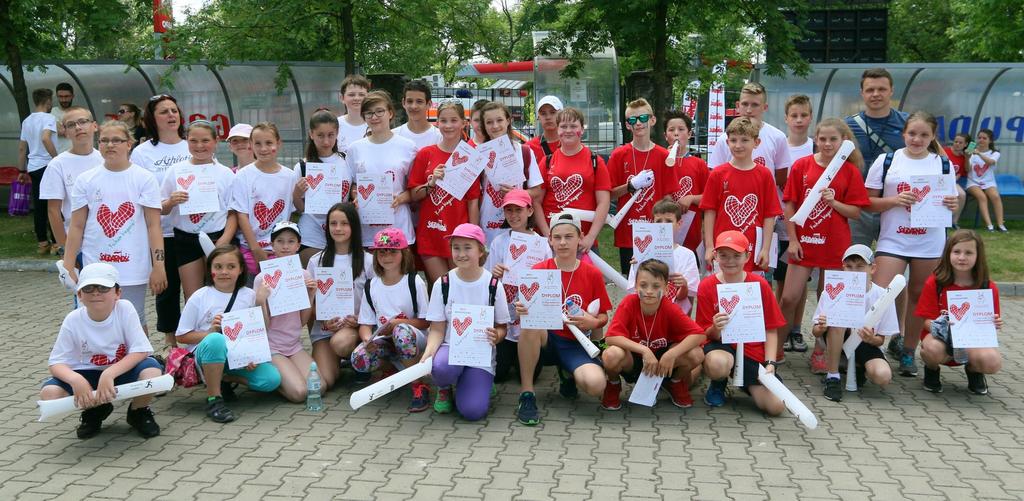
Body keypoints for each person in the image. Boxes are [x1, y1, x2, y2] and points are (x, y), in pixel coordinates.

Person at [864, 111, 959, 377]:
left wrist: (954, 203)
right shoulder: (887, 161)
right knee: (881, 293)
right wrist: (894, 201)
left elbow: (950, 203)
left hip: (928, 241)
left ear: (933, 137)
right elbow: (867, 201)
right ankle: (873, 346)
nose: (917, 139)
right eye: (912, 133)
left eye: (924, 135)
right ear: (903, 133)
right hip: (894, 238)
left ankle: (907, 351)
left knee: (919, 295)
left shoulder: (942, 164)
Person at [778, 118, 869, 364]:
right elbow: (790, 204)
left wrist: (834, 202)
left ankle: (821, 350)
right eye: (823, 139)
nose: (827, 144)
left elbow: (856, 212)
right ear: (815, 140)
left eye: (833, 139)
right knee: (788, 298)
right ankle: (774, 351)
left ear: (843, 142)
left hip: (834, 244)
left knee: (827, 302)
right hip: (804, 243)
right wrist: (793, 240)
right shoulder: (801, 165)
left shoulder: (849, 171)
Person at [40, 263, 164, 439]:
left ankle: (139, 410)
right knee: (49, 394)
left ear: (117, 293)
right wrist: (76, 380)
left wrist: (109, 374)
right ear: (79, 295)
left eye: (104, 287)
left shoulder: (125, 308)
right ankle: (95, 409)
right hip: (86, 374)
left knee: (152, 372)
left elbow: (141, 351)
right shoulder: (73, 319)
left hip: (121, 370)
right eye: (89, 288)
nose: (96, 292)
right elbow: (55, 363)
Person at [63, 120, 167, 328]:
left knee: (134, 320)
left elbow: (153, 226)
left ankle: (140, 360)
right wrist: (68, 264)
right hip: (95, 265)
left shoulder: (144, 178)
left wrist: (159, 266)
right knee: (93, 319)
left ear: (129, 144)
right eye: (104, 140)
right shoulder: (86, 180)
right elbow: (77, 226)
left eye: (117, 140)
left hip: (133, 267)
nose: (110, 145)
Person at [515, 212, 612, 426]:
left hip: (575, 343)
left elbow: (604, 314)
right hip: (546, 339)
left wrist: (594, 323)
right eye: (557, 237)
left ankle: (567, 372)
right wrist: (522, 309)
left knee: (596, 385)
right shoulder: (539, 270)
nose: (562, 242)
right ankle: (527, 394)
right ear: (549, 239)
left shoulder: (592, 273)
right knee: (530, 325)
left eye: (569, 236)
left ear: (580, 238)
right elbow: (524, 309)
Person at [175, 245, 282, 422]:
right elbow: (181, 336)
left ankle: (224, 378)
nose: (224, 272)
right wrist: (209, 332)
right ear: (210, 270)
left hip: (236, 356)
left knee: (271, 380)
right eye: (218, 267)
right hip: (205, 355)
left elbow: (257, 331)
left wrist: (251, 356)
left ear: (241, 269)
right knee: (216, 340)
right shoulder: (200, 296)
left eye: (231, 267)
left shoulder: (249, 295)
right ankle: (214, 400)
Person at [422, 224, 511, 421]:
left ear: (481, 250)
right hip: (450, 349)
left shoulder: (493, 285)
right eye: (456, 247)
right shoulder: (443, 283)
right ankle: (445, 387)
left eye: (467, 247)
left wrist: (496, 336)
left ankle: (480, 382)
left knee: (473, 411)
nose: (461, 253)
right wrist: (429, 354)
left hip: (480, 356)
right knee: (440, 368)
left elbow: (502, 327)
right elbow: (437, 329)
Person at [696, 231, 785, 415]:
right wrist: (715, 327)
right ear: (715, 256)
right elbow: (704, 334)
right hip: (722, 347)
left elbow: (771, 330)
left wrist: (770, 363)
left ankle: (745, 382)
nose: (730, 261)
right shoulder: (706, 286)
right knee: (717, 364)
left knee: (776, 407)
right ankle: (718, 383)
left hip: (752, 352)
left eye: (736, 255)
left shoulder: (760, 285)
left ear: (747, 256)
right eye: (723, 255)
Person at [601, 259, 706, 410]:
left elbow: (699, 335)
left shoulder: (669, 308)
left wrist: (671, 354)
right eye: (643, 285)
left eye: (656, 286)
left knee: (697, 354)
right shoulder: (629, 303)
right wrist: (644, 350)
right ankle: (613, 384)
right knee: (611, 354)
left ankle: (675, 382)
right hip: (635, 361)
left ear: (665, 287)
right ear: (636, 285)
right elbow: (611, 337)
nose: (649, 291)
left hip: (664, 364)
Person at [132, 95, 192, 355]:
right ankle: (171, 342)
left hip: (192, 229)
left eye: (174, 110)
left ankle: (195, 340)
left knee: (196, 289)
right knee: (166, 289)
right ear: (152, 119)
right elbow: (136, 193)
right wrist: (164, 205)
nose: (171, 115)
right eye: (163, 112)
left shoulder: (192, 146)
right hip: (162, 230)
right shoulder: (143, 153)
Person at [915, 230, 1003, 395]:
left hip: (971, 341)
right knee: (931, 349)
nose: (962, 257)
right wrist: (941, 323)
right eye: (957, 252)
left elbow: (990, 324)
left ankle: (974, 370)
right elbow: (925, 320)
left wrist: (995, 323)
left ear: (979, 256)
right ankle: (931, 369)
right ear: (948, 254)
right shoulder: (935, 282)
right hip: (941, 338)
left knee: (992, 361)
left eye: (969, 252)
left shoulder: (988, 287)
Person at [161, 120, 237, 305]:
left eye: (205, 140)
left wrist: (224, 240)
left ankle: (222, 332)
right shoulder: (176, 171)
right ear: (186, 140)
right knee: (193, 297)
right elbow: (160, 208)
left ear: (216, 141)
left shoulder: (225, 173)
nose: (199, 146)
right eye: (193, 140)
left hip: (218, 237)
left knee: (223, 292)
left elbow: (233, 213)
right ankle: (199, 333)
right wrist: (171, 201)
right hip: (186, 239)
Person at [353, 228, 430, 408]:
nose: (387, 256)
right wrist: (366, 338)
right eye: (382, 251)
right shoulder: (371, 285)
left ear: (403, 253)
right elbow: (365, 323)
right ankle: (392, 369)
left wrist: (399, 323)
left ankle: (418, 384)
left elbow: (426, 321)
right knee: (359, 358)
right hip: (386, 340)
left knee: (401, 331)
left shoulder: (414, 281)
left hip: (414, 339)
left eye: (393, 251)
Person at [408, 100, 481, 286]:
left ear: (464, 123)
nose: (448, 126)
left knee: (461, 289)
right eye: (443, 121)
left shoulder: (471, 155)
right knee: (442, 290)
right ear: (437, 123)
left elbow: (473, 200)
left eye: (453, 120)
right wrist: (431, 182)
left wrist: (473, 236)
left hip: (459, 235)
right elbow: (414, 195)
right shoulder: (426, 154)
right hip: (431, 234)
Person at [811, 245, 897, 401]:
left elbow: (881, 340)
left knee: (883, 377)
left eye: (860, 266)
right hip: (836, 338)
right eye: (849, 267)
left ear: (873, 268)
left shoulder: (882, 295)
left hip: (865, 342)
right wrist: (822, 327)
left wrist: (871, 339)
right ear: (843, 268)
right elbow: (815, 332)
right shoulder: (831, 291)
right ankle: (833, 377)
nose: (854, 271)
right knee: (838, 321)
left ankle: (858, 366)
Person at [699, 117, 782, 273]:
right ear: (727, 142)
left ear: (756, 142)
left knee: (751, 292)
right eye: (733, 140)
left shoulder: (764, 175)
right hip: (722, 248)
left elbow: (769, 215)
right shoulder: (718, 174)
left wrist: (765, 248)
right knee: (723, 293)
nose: (738, 145)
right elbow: (709, 212)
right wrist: (709, 246)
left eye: (744, 140)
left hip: (752, 249)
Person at [486, 189, 551, 383]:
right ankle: (510, 354)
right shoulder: (499, 242)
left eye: (519, 210)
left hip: (529, 323)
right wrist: (494, 274)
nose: (513, 215)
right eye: (509, 210)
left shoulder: (542, 244)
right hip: (506, 322)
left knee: (530, 376)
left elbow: (549, 282)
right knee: (498, 375)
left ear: (530, 211)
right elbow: (487, 283)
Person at [306, 203, 373, 391]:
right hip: (325, 330)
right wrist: (325, 320)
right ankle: (342, 363)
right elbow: (310, 303)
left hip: (354, 328)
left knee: (341, 343)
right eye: (333, 223)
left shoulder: (368, 261)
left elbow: (376, 300)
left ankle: (360, 360)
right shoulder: (316, 261)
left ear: (354, 226)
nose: (338, 228)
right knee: (325, 380)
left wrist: (360, 320)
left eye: (344, 223)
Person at [253, 221, 317, 403]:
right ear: (272, 245)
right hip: (272, 347)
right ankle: (273, 382)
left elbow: (303, 322)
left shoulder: (303, 275)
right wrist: (260, 300)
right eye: (280, 241)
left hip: (293, 345)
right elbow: (261, 326)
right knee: (299, 393)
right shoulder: (261, 279)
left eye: (291, 241)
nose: (285, 246)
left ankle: (286, 373)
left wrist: (310, 295)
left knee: (319, 386)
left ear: (298, 245)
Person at [845, 68, 909, 248]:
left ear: (891, 91)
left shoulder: (909, 124)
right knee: (851, 262)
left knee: (896, 264)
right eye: (870, 90)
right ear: (862, 93)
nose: (876, 94)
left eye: (881, 89)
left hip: (895, 206)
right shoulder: (847, 126)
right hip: (856, 207)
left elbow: (936, 157)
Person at [346, 90, 418, 248]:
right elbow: (353, 184)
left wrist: (399, 199)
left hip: (398, 225)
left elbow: (415, 189)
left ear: (390, 113)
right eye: (369, 113)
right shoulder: (355, 149)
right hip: (366, 231)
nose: (374, 117)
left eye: (379, 111)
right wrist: (356, 195)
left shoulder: (407, 147)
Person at [536, 107, 612, 253]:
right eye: (563, 126)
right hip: (553, 240)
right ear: (557, 130)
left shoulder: (595, 161)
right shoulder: (547, 161)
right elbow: (537, 201)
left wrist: (591, 236)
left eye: (573, 126)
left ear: (581, 130)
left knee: (586, 276)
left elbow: (603, 202)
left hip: (584, 241)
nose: (568, 130)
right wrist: (547, 235)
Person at [608, 98, 666, 273]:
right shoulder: (619, 155)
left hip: (656, 230)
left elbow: (669, 197)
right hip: (628, 231)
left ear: (652, 120)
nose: (638, 123)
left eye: (643, 118)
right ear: (627, 125)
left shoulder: (663, 155)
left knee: (657, 280)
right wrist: (630, 185)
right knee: (631, 281)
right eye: (633, 120)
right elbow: (608, 194)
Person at [230, 122, 296, 276]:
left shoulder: (290, 176)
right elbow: (242, 215)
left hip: (282, 250)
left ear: (278, 144)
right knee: (253, 296)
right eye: (258, 144)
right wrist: (255, 249)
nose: (263, 149)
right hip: (250, 249)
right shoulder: (243, 175)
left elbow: (290, 213)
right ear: (251, 145)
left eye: (269, 143)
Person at [292, 109, 354, 267]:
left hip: (341, 230)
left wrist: (356, 195)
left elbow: (354, 193)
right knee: (314, 283)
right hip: (312, 233)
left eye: (330, 135)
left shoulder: (347, 161)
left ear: (337, 133)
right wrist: (297, 194)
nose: (326, 141)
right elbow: (300, 209)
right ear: (311, 134)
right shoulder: (303, 166)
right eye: (320, 135)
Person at [477, 101, 545, 243]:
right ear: (484, 125)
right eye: (489, 122)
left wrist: (517, 194)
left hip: (518, 224)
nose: (495, 126)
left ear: (508, 121)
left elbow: (537, 190)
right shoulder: (478, 155)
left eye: (500, 120)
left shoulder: (524, 151)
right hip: (486, 226)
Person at [40, 106, 102, 261]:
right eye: (71, 125)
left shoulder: (105, 160)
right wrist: (66, 250)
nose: (78, 127)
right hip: (79, 244)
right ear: (65, 132)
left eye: (83, 121)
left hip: (110, 241)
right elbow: (53, 211)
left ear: (94, 126)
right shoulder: (58, 164)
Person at [779, 94, 814, 356]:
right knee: (781, 281)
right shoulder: (781, 145)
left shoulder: (817, 147)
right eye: (794, 115)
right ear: (786, 118)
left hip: (805, 226)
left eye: (804, 115)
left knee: (799, 283)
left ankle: (796, 329)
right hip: (778, 222)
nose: (799, 120)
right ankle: (779, 328)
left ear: (810, 117)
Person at [625, 198, 699, 316]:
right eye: (659, 221)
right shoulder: (641, 253)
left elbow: (687, 299)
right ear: (653, 224)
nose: (663, 226)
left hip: (675, 315)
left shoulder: (687, 255)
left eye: (669, 221)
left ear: (679, 224)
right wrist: (637, 267)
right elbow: (635, 291)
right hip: (647, 314)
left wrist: (683, 285)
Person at [657, 109, 707, 254]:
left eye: (681, 129)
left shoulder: (698, 164)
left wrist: (691, 198)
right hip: (664, 228)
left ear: (690, 134)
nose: (676, 133)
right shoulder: (660, 161)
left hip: (692, 230)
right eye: (671, 130)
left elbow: (709, 196)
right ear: (665, 135)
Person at [18, 88, 58, 255]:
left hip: (33, 167)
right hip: (47, 166)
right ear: (48, 101)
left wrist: (21, 170)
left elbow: (22, 148)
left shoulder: (27, 121)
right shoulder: (49, 118)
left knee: (39, 207)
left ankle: (42, 243)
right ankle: (56, 242)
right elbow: (45, 138)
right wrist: (57, 158)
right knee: (54, 205)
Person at [964, 129, 1006, 232]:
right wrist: (966, 157)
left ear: (990, 140)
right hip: (973, 182)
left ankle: (1000, 225)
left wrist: (979, 154)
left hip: (989, 182)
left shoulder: (994, 153)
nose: (981, 140)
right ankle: (989, 226)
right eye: (979, 138)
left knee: (995, 196)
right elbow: (967, 169)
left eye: (984, 138)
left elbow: (991, 162)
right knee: (982, 197)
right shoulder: (971, 151)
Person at [393, 79, 442, 151]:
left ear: (429, 104)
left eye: (419, 101)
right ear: (403, 103)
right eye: (410, 101)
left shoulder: (440, 137)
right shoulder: (394, 136)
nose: (414, 106)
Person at [337, 74, 371, 152]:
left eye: (361, 94)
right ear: (342, 98)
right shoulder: (335, 124)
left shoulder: (375, 124)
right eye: (351, 95)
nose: (357, 98)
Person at [943, 133, 970, 228]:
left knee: (962, 195)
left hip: (953, 181)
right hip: (940, 180)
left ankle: (954, 221)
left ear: (965, 145)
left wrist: (967, 157)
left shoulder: (963, 157)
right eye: (955, 141)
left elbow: (962, 172)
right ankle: (942, 220)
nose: (957, 144)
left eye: (960, 142)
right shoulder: (944, 151)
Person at [527, 95, 563, 165]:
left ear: (562, 115)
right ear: (538, 117)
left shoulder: (571, 145)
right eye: (543, 113)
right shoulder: (529, 148)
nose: (548, 117)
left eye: (553, 112)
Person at [51, 82, 75, 153]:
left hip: (77, 154)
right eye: (61, 97)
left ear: (72, 96)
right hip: (59, 155)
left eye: (66, 96)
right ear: (57, 97)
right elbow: (61, 131)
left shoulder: (78, 112)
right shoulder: (53, 112)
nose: (64, 100)